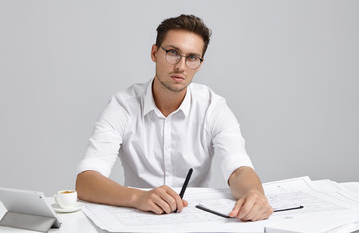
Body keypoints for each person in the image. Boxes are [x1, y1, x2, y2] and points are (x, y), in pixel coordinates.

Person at [76, 14, 273, 221]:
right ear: (154, 53)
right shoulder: (123, 106)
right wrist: (138, 197)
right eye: (172, 53)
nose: (181, 66)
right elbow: (86, 180)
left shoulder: (213, 107)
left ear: (200, 62)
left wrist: (255, 195)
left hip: (194, 220)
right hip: (138, 220)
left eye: (192, 58)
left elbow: (238, 170)